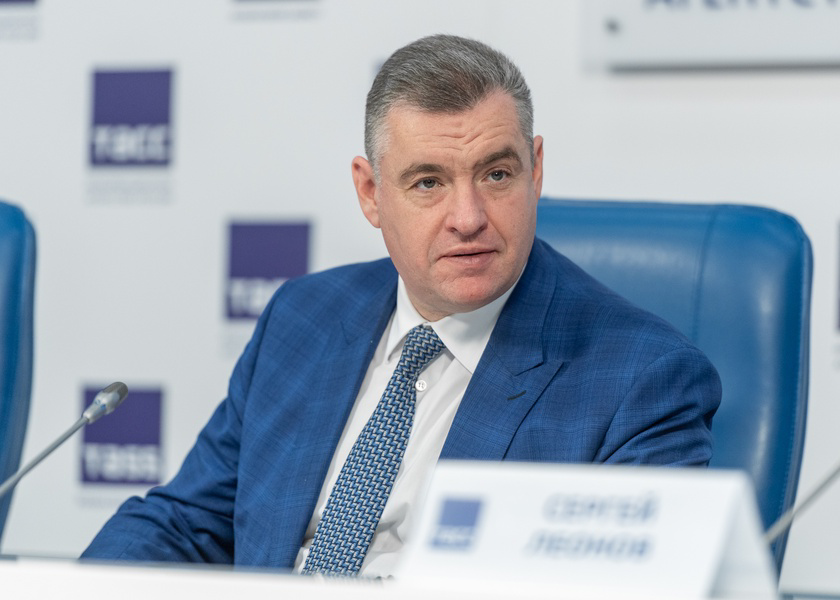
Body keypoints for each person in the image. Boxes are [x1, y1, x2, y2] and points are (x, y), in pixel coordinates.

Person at [81, 34, 720, 577]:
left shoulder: (641, 380)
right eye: (428, 182)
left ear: (537, 169)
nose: (468, 217)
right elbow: (190, 521)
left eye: (497, 174)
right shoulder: (304, 317)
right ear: (371, 193)